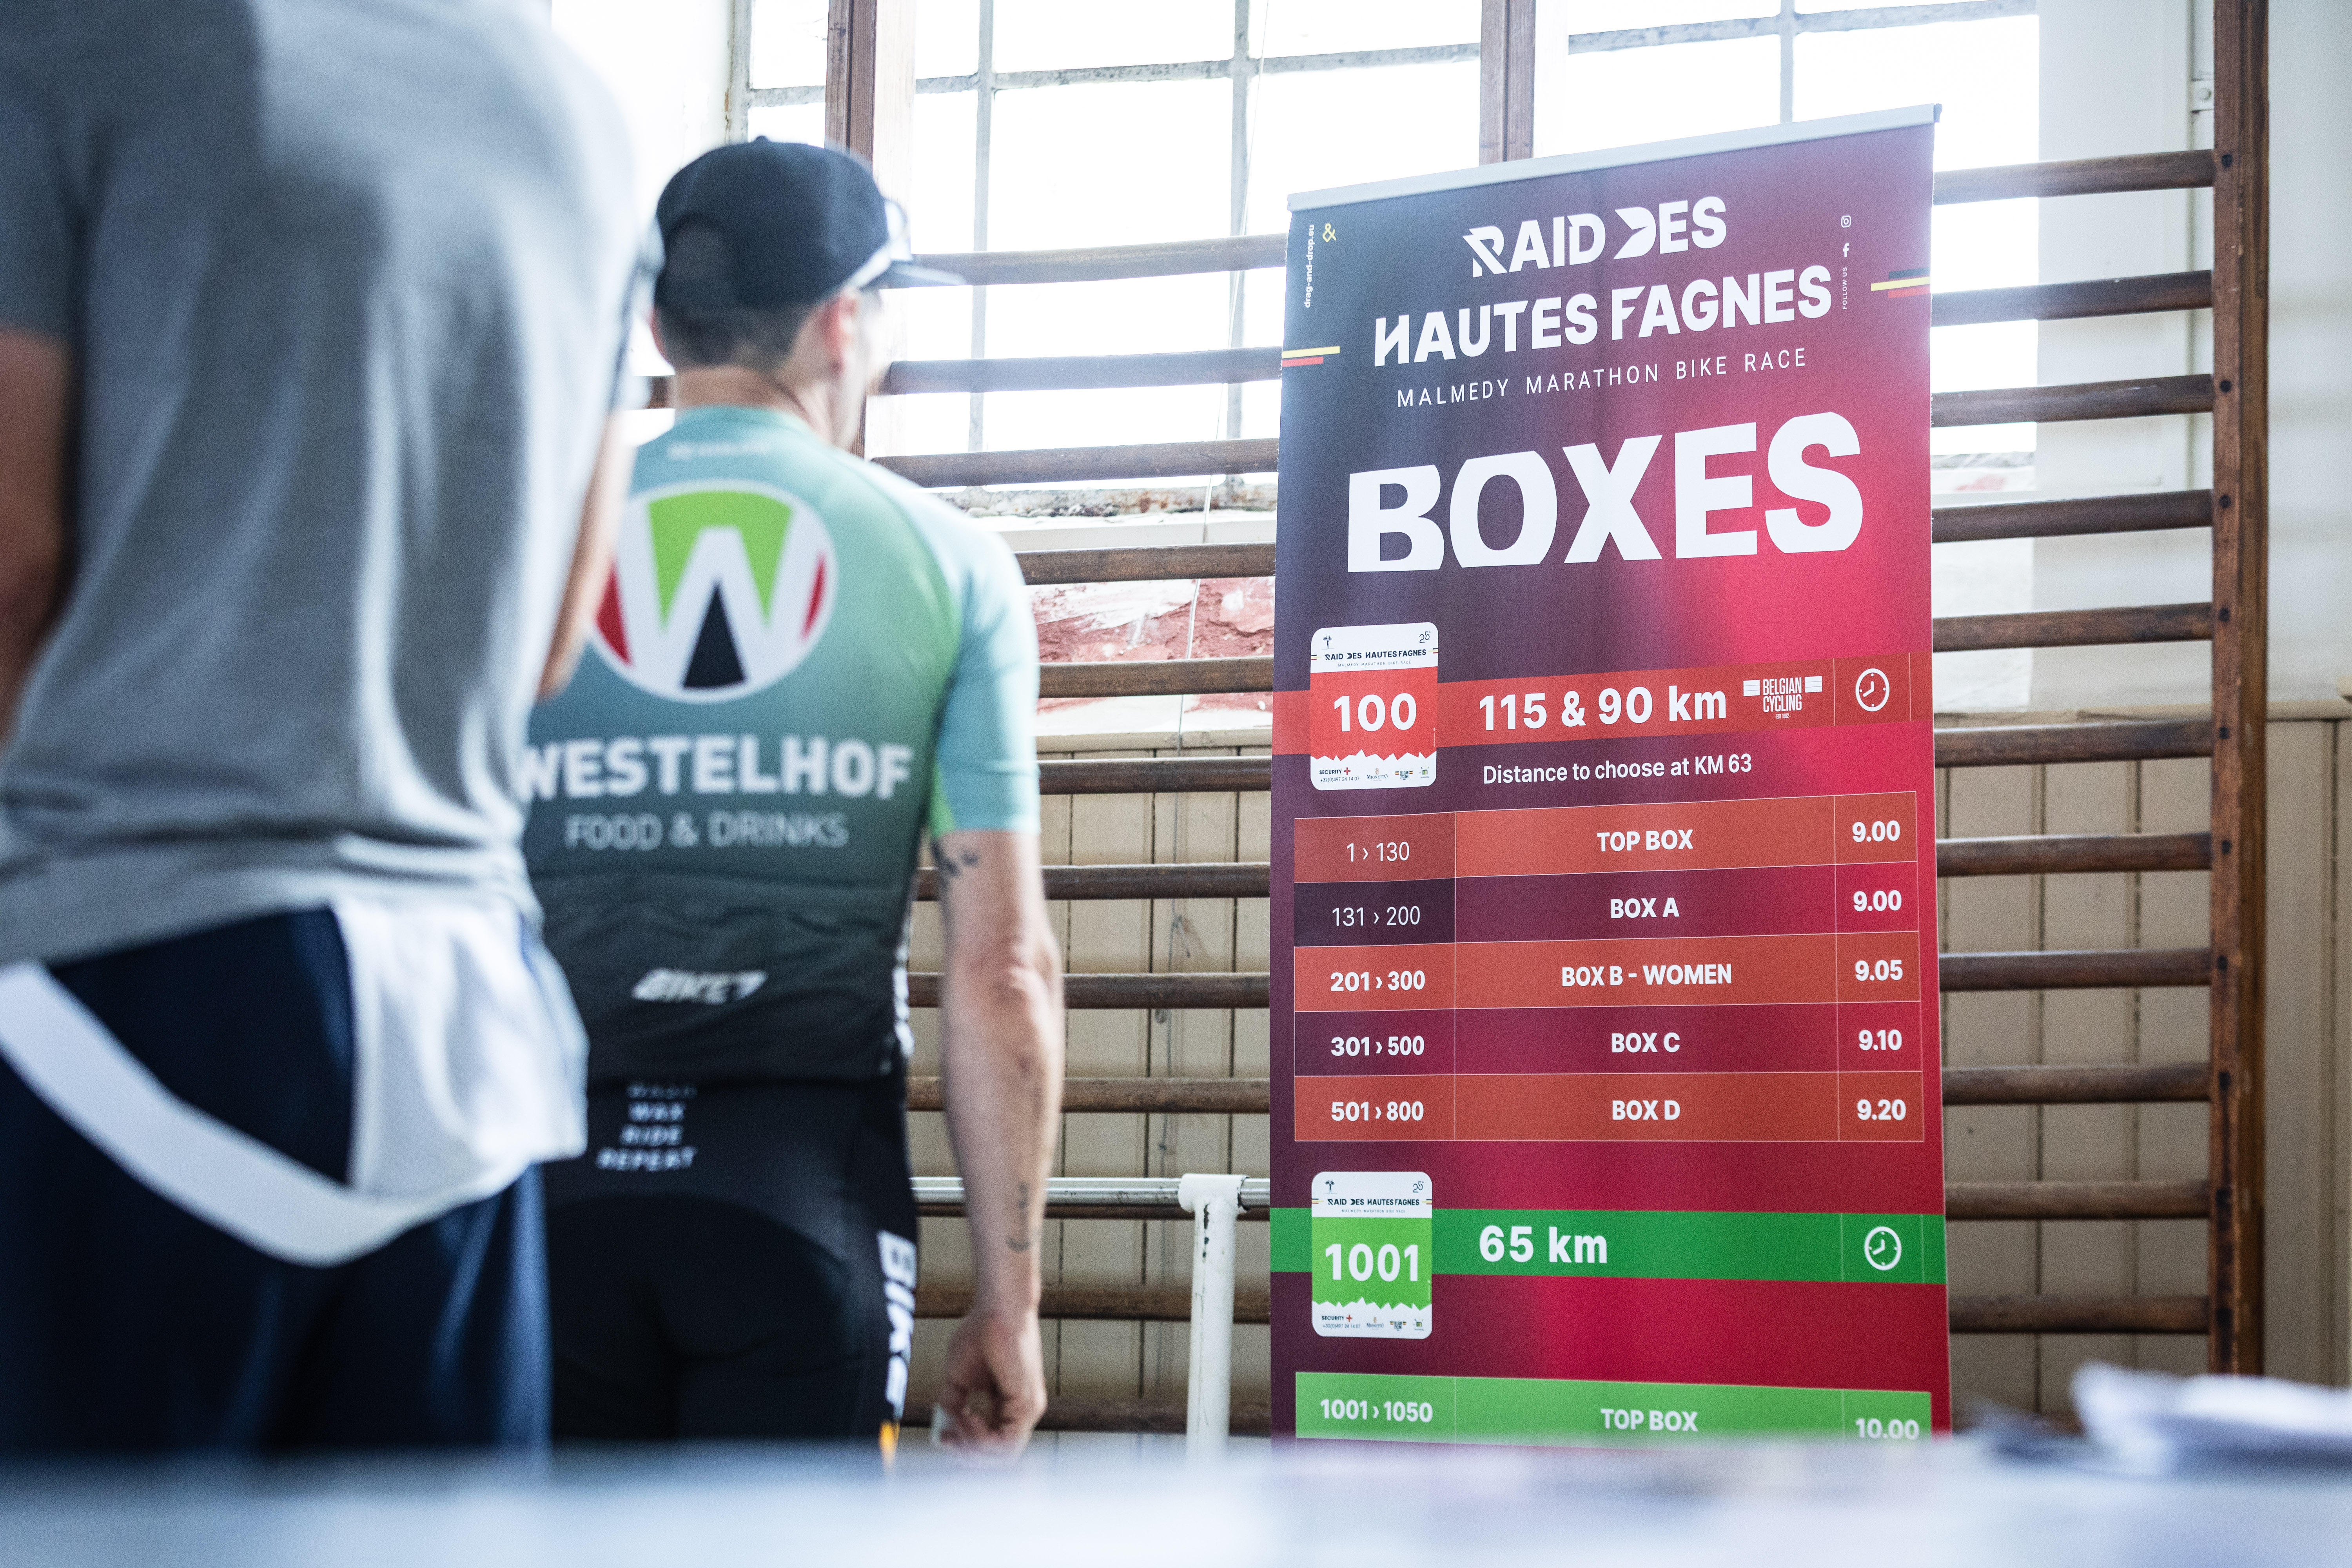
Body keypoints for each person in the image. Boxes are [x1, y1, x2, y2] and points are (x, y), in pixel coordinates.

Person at [0, 2, 643, 1451]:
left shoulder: (64, 45)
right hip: (466, 1027)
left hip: (121, 982)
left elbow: (11, 559)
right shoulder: (577, 114)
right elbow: (551, 636)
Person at [523, 141, 1063, 1459]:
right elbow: (1002, 971)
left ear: (658, 323)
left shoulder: (529, 535)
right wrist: (1011, 1300)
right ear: (841, 320)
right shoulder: (949, 563)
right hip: (805, 1189)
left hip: (537, 1187)